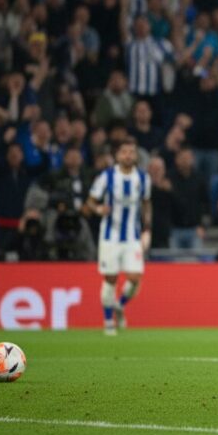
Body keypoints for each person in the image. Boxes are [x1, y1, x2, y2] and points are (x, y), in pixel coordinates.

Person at [84, 139, 152, 336]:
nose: (128, 155)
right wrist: (98, 209)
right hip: (110, 236)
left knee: (135, 277)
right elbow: (90, 201)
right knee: (111, 279)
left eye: (131, 152)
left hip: (132, 236)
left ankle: (119, 305)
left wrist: (147, 227)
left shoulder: (143, 178)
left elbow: (147, 203)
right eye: (124, 152)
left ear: (136, 155)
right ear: (117, 155)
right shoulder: (107, 177)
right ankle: (108, 322)